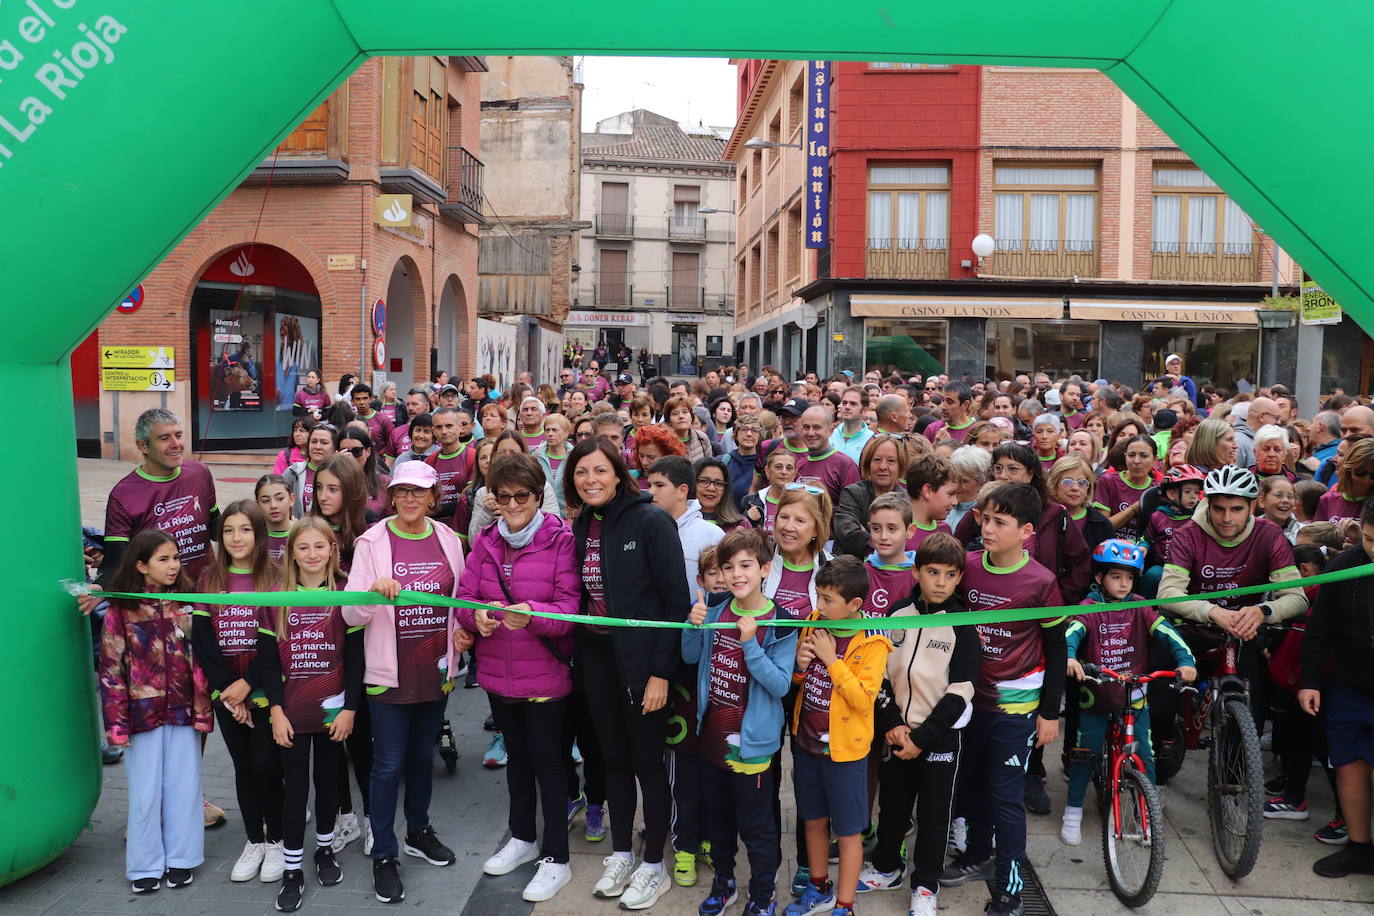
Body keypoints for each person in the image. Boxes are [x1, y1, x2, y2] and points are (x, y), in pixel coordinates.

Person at [565, 437, 688, 909]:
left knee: (645, 763)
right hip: (595, 658)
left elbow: (676, 602)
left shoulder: (651, 519)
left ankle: (653, 864)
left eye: (599, 471)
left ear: (618, 473)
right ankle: (620, 854)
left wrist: (661, 673)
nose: (590, 480)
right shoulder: (582, 524)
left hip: (642, 664)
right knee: (610, 758)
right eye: (581, 472)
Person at [456, 452, 582, 903]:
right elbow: (466, 598)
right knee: (518, 765)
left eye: (521, 496)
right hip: (498, 673)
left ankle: (556, 858)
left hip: (545, 674)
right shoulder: (486, 541)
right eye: (502, 496)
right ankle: (523, 837)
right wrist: (479, 620)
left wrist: (532, 615)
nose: (512, 505)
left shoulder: (560, 540)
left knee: (550, 766)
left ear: (538, 494)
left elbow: (570, 611)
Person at [343, 462, 469, 904]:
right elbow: (349, 614)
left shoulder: (449, 540)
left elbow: (460, 603)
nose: (409, 499)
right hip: (387, 673)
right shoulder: (372, 543)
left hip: (435, 671)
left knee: (420, 758)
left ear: (433, 496)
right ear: (391, 496)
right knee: (388, 765)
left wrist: (463, 633)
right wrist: (371, 595)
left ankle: (417, 831)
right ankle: (383, 853)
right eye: (401, 492)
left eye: (419, 492)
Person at [941, 483, 1065, 916]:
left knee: (1005, 797)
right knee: (971, 785)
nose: (988, 528)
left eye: (1000, 522)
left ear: (1027, 530)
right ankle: (977, 855)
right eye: (984, 518)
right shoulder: (968, 566)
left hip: (1017, 707)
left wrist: (1050, 712)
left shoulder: (1042, 582)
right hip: (970, 700)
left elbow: (1057, 648)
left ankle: (1010, 889)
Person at [683, 529, 797, 916]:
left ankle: (763, 894)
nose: (736, 574)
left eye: (746, 565)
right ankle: (725, 881)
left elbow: (781, 684)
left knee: (757, 826)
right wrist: (692, 624)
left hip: (753, 747)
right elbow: (688, 656)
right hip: (711, 737)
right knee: (717, 819)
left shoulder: (781, 622)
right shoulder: (716, 610)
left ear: (765, 568)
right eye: (728, 567)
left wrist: (750, 643)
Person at [864, 533, 979, 916]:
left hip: (939, 740)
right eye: (932, 572)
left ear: (960, 577)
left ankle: (926, 886)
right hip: (897, 736)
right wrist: (892, 725)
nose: (941, 582)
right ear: (916, 572)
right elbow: (878, 675)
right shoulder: (897, 615)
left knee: (933, 818)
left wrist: (924, 738)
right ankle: (885, 867)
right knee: (893, 807)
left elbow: (961, 690)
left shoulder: (964, 625)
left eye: (950, 574)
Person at [1153, 466, 1308, 742]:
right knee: (1159, 707)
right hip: (1192, 628)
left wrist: (1264, 611)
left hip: (1245, 630)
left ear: (1252, 506)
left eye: (1236, 509)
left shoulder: (1270, 535)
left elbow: (1297, 598)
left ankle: (1239, 765)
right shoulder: (1188, 534)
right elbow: (1168, 593)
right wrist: (1212, 611)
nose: (1226, 518)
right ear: (1207, 505)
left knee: (1255, 711)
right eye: (1218, 508)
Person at [1059, 539, 1196, 846]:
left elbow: (1167, 632)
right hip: (1097, 694)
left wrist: (1185, 660)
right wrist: (1069, 656)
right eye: (1116, 576)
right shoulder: (1089, 608)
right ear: (1099, 578)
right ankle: (1073, 810)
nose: (1123, 584)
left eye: (1130, 577)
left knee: (1145, 755)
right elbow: (1072, 632)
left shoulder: (1140, 606)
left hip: (1135, 695)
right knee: (1086, 752)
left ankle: (1145, 812)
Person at [255, 517, 361, 911]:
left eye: (320, 546)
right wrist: (276, 711)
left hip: (333, 711)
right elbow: (267, 662)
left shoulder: (346, 591)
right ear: (291, 553)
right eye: (304, 547)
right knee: (295, 788)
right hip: (292, 712)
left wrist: (350, 707)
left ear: (332, 549)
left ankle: (325, 851)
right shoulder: (277, 596)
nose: (312, 554)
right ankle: (292, 870)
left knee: (330, 782)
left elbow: (355, 657)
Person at [99, 530, 213, 893]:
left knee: (185, 788)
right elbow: (111, 671)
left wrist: (203, 708)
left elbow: (202, 659)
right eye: (163, 559)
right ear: (140, 565)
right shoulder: (121, 611)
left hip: (183, 713)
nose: (173, 565)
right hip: (141, 717)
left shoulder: (186, 605)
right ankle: (145, 864)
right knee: (145, 794)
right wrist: (116, 724)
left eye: (176, 558)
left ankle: (182, 859)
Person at [785, 555, 891, 916]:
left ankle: (844, 904)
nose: (819, 605)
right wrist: (799, 667)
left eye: (828, 599)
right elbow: (797, 682)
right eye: (818, 595)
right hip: (806, 743)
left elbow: (864, 700)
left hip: (845, 754)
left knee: (847, 832)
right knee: (812, 820)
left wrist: (832, 660)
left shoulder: (874, 642)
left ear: (855, 605)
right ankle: (819, 888)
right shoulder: (815, 621)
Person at [190, 501, 284, 884]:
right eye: (228, 530)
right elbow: (203, 640)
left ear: (259, 534)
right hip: (226, 692)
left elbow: (276, 642)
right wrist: (229, 693)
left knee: (267, 765)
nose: (237, 538)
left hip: (264, 688)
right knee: (243, 767)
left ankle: (276, 840)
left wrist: (248, 686)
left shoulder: (275, 577)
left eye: (245, 529)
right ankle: (254, 840)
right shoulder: (208, 579)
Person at [1298, 498, 1374, 878]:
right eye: (1372, 540)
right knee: (1348, 765)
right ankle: (1359, 847)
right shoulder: (1344, 566)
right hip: (1349, 683)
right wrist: (1310, 680)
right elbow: (1319, 630)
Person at [101, 408, 220, 586]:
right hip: (158, 603)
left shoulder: (199, 473)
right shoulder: (123, 495)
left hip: (206, 593)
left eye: (178, 435)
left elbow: (216, 529)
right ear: (143, 446)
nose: (176, 444)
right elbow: (116, 562)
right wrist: (101, 587)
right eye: (164, 438)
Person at [647, 455, 725, 596]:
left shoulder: (712, 535)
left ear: (682, 491)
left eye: (659, 485)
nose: (651, 492)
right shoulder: (643, 531)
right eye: (649, 485)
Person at [832, 434, 912, 558]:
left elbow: (910, 542)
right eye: (877, 460)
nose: (882, 467)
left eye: (891, 461)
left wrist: (867, 536)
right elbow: (849, 536)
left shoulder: (907, 499)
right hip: (854, 567)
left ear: (900, 466)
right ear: (868, 463)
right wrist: (892, 541)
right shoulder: (852, 493)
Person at [1095, 434, 1162, 539]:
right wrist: (1137, 506)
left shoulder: (1157, 490)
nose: (1136, 461)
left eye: (1144, 456)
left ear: (1155, 459)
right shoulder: (1108, 481)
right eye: (1131, 455)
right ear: (1125, 456)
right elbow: (1104, 527)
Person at [861, 492, 919, 616]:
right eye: (876, 528)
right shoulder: (859, 572)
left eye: (892, 529)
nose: (883, 536)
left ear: (910, 530)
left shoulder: (918, 576)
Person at [424, 408, 477, 531]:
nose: (444, 431)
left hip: (465, 530)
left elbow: (468, 498)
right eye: (439, 427)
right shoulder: (430, 462)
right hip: (436, 530)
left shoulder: (473, 457)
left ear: (460, 427)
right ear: (433, 431)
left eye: (449, 426)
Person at [1048, 455, 1113, 554]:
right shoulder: (1043, 519)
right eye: (1067, 482)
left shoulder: (1102, 525)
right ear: (1054, 485)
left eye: (1082, 482)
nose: (1075, 488)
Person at [796, 404, 861, 502]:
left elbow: (852, 508)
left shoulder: (845, 465)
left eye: (817, 427)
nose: (810, 433)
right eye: (806, 427)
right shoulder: (798, 465)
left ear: (830, 431)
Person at [283, 422, 338, 518]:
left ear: (335, 448)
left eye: (324, 443)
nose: (317, 447)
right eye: (313, 441)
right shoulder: (293, 472)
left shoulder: (342, 474)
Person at [906, 454, 958, 552]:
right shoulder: (898, 531)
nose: (955, 502)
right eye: (951, 494)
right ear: (928, 491)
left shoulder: (945, 530)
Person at [1316, 438, 1374, 523]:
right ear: (1348, 469)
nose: (1366, 480)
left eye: (1373, 476)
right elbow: (1315, 535)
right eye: (1360, 473)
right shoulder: (1328, 500)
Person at [742, 447, 798, 533]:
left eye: (789, 468)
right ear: (767, 471)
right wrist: (747, 519)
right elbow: (738, 535)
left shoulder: (802, 504)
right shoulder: (750, 502)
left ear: (794, 474)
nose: (784, 472)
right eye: (778, 467)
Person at [340, 425, 391, 519]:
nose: (350, 457)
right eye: (345, 451)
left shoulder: (385, 483)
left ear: (368, 451)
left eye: (356, 451)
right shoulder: (332, 482)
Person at [694, 457, 750, 533]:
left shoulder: (740, 524)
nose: (711, 488)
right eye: (704, 481)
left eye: (719, 483)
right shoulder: (679, 521)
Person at [534, 413, 573, 510]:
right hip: (542, 515)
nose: (550, 434)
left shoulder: (574, 457)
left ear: (566, 433)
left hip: (568, 515)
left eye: (554, 430)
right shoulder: (536, 457)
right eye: (547, 430)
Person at [725, 415, 764, 509]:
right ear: (735, 433)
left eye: (754, 430)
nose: (749, 434)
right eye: (744, 429)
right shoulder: (723, 461)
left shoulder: (763, 465)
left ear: (760, 435)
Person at [829, 386, 874, 464]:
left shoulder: (872, 440)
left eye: (853, 404)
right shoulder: (829, 434)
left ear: (864, 410)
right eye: (844, 403)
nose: (847, 407)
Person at [255, 474, 295, 563]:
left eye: (280, 498)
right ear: (257, 504)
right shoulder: (253, 537)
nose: (273, 505)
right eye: (266, 501)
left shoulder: (302, 533)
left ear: (291, 499)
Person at [1258, 474, 1303, 543]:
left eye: (1290, 497)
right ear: (1262, 501)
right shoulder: (1250, 530)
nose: (1286, 500)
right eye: (1278, 496)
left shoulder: (1304, 533)